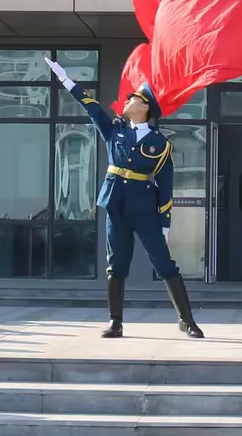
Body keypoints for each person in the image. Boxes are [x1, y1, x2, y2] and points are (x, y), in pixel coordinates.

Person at [45, 58, 204, 339]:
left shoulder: (160, 144)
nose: (127, 100)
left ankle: (186, 320)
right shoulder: (114, 130)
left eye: (134, 98)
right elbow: (90, 106)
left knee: (165, 264)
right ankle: (115, 321)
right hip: (116, 205)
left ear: (145, 107)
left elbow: (165, 185)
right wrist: (66, 80)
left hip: (145, 209)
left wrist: (165, 222)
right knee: (116, 264)